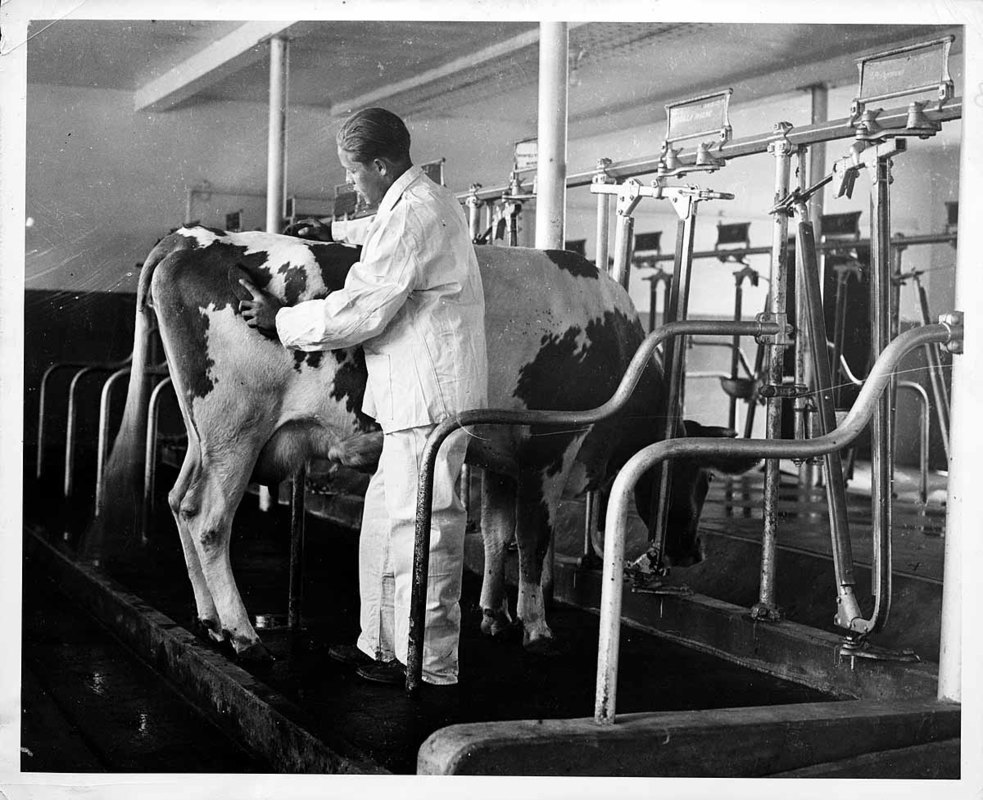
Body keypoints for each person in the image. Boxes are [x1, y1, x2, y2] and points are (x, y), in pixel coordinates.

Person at [239, 107, 488, 688]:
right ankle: (381, 649)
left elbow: (364, 309)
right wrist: (331, 233)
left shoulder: (415, 214)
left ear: (380, 164)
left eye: (354, 173)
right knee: (385, 525)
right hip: (409, 397)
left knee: (425, 529)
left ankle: (430, 667)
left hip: (432, 401)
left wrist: (283, 320)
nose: (351, 183)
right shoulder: (417, 202)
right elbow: (378, 235)